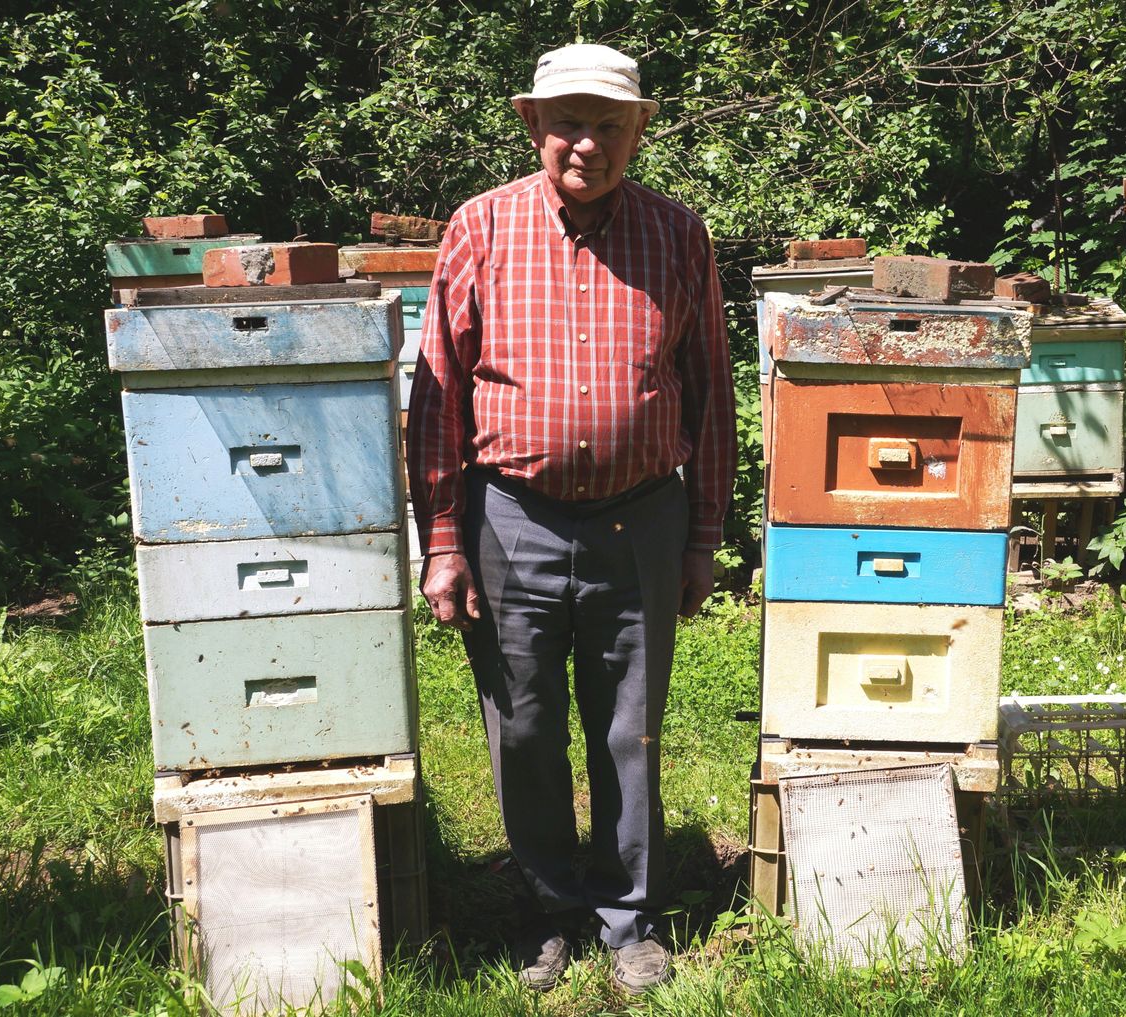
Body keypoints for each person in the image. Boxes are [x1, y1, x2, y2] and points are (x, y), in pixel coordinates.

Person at [406, 42, 736, 994]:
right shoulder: (480, 227)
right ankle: (548, 906)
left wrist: (704, 535)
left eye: (609, 124)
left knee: (631, 728)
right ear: (533, 126)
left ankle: (630, 914)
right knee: (523, 726)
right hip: (511, 518)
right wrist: (442, 541)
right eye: (568, 123)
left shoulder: (679, 233)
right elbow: (439, 398)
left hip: (644, 520)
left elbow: (710, 388)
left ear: (639, 131)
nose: (587, 142)